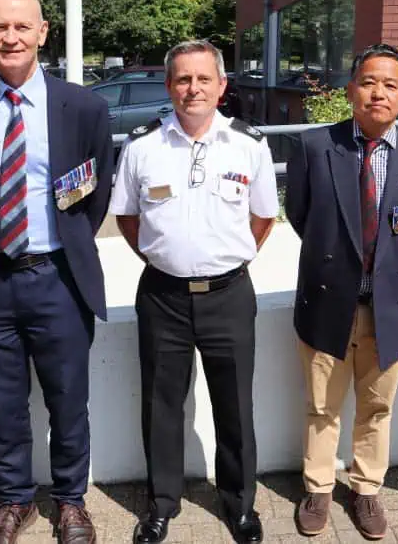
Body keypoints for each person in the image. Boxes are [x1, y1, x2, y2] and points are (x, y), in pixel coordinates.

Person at [0, 0, 113, 544]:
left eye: (21, 26)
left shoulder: (83, 107)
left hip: (58, 279)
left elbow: (95, 194)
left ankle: (71, 502)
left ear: (42, 32)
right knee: (3, 402)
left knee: (68, 399)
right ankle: (14, 501)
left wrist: (58, 241)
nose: (10, 37)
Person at [109, 39, 279, 544]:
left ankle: (239, 506)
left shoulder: (250, 145)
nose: (193, 88)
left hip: (229, 294)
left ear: (222, 85)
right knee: (162, 405)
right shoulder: (142, 146)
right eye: (182, 79)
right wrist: (167, 259)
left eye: (204, 78)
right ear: (169, 86)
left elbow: (264, 215)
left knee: (235, 404)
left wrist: (228, 258)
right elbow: (127, 216)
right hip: (162, 296)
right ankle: (162, 504)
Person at [284, 43, 398, 540]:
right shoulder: (315, 146)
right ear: (351, 89)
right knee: (321, 405)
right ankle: (317, 487)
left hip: (391, 307)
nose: (378, 92)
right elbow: (301, 217)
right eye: (369, 82)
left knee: (378, 406)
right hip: (327, 299)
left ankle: (366, 489)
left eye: (390, 84)